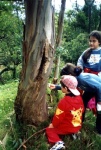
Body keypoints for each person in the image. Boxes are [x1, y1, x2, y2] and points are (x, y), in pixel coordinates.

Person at [49, 63, 101, 135]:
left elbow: (99, 86)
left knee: (99, 110)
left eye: (64, 77)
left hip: (99, 89)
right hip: (91, 89)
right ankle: (79, 122)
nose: (64, 79)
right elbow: (68, 88)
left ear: (70, 75)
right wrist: (56, 87)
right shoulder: (75, 79)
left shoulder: (81, 79)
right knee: (83, 103)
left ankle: (99, 130)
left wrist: (99, 101)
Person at [46, 75, 84, 150]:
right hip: (77, 125)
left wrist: (52, 125)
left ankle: (58, 142)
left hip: (67, 127)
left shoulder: (64, 102)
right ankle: (74, 133)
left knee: (49, 130)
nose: (61, 87)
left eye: (61, 86)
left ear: (66, 88)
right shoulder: (79, 98)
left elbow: (58, 117)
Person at [77, 30, 101, 115]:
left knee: (99, 102)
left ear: (99, 42)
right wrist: (80, 69)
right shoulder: (87, 52)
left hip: (97, 79)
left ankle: (99, 123)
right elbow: (80, 62)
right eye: (90, 41)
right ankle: (79, 120)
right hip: (86, 78)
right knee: (83, 100)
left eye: (94, 41)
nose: (91, 43)